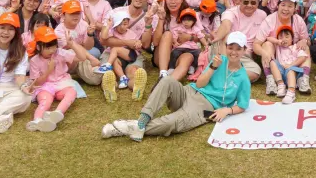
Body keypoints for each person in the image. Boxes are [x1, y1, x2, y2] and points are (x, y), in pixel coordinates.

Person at [102, 30, 251, 142]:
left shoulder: (243, 78)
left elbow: (243, 105)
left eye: (239, 48)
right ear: (226, 47)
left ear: (244, 50)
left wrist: (227, 110)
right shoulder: (219, 60)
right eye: (231, 47)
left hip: (204, 106)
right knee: (167, 80)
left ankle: (129, 128)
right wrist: (213, 68)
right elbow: (199, 83)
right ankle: (142, 120)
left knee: (173, 122)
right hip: (190, 91)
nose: (234, 52)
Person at [22, 25, 81, 132]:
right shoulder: (35, 60)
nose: (52, 50)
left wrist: (72, 45)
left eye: (54, 46)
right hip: (45, 87)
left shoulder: (60, 53)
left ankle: (57, 113)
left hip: (61, 83)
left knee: (71, 92)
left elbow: (82, 58)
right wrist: (49, 70)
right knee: (46, 100)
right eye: (48, 47)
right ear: (39, 47)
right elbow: (37, 82)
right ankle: (37, 120)